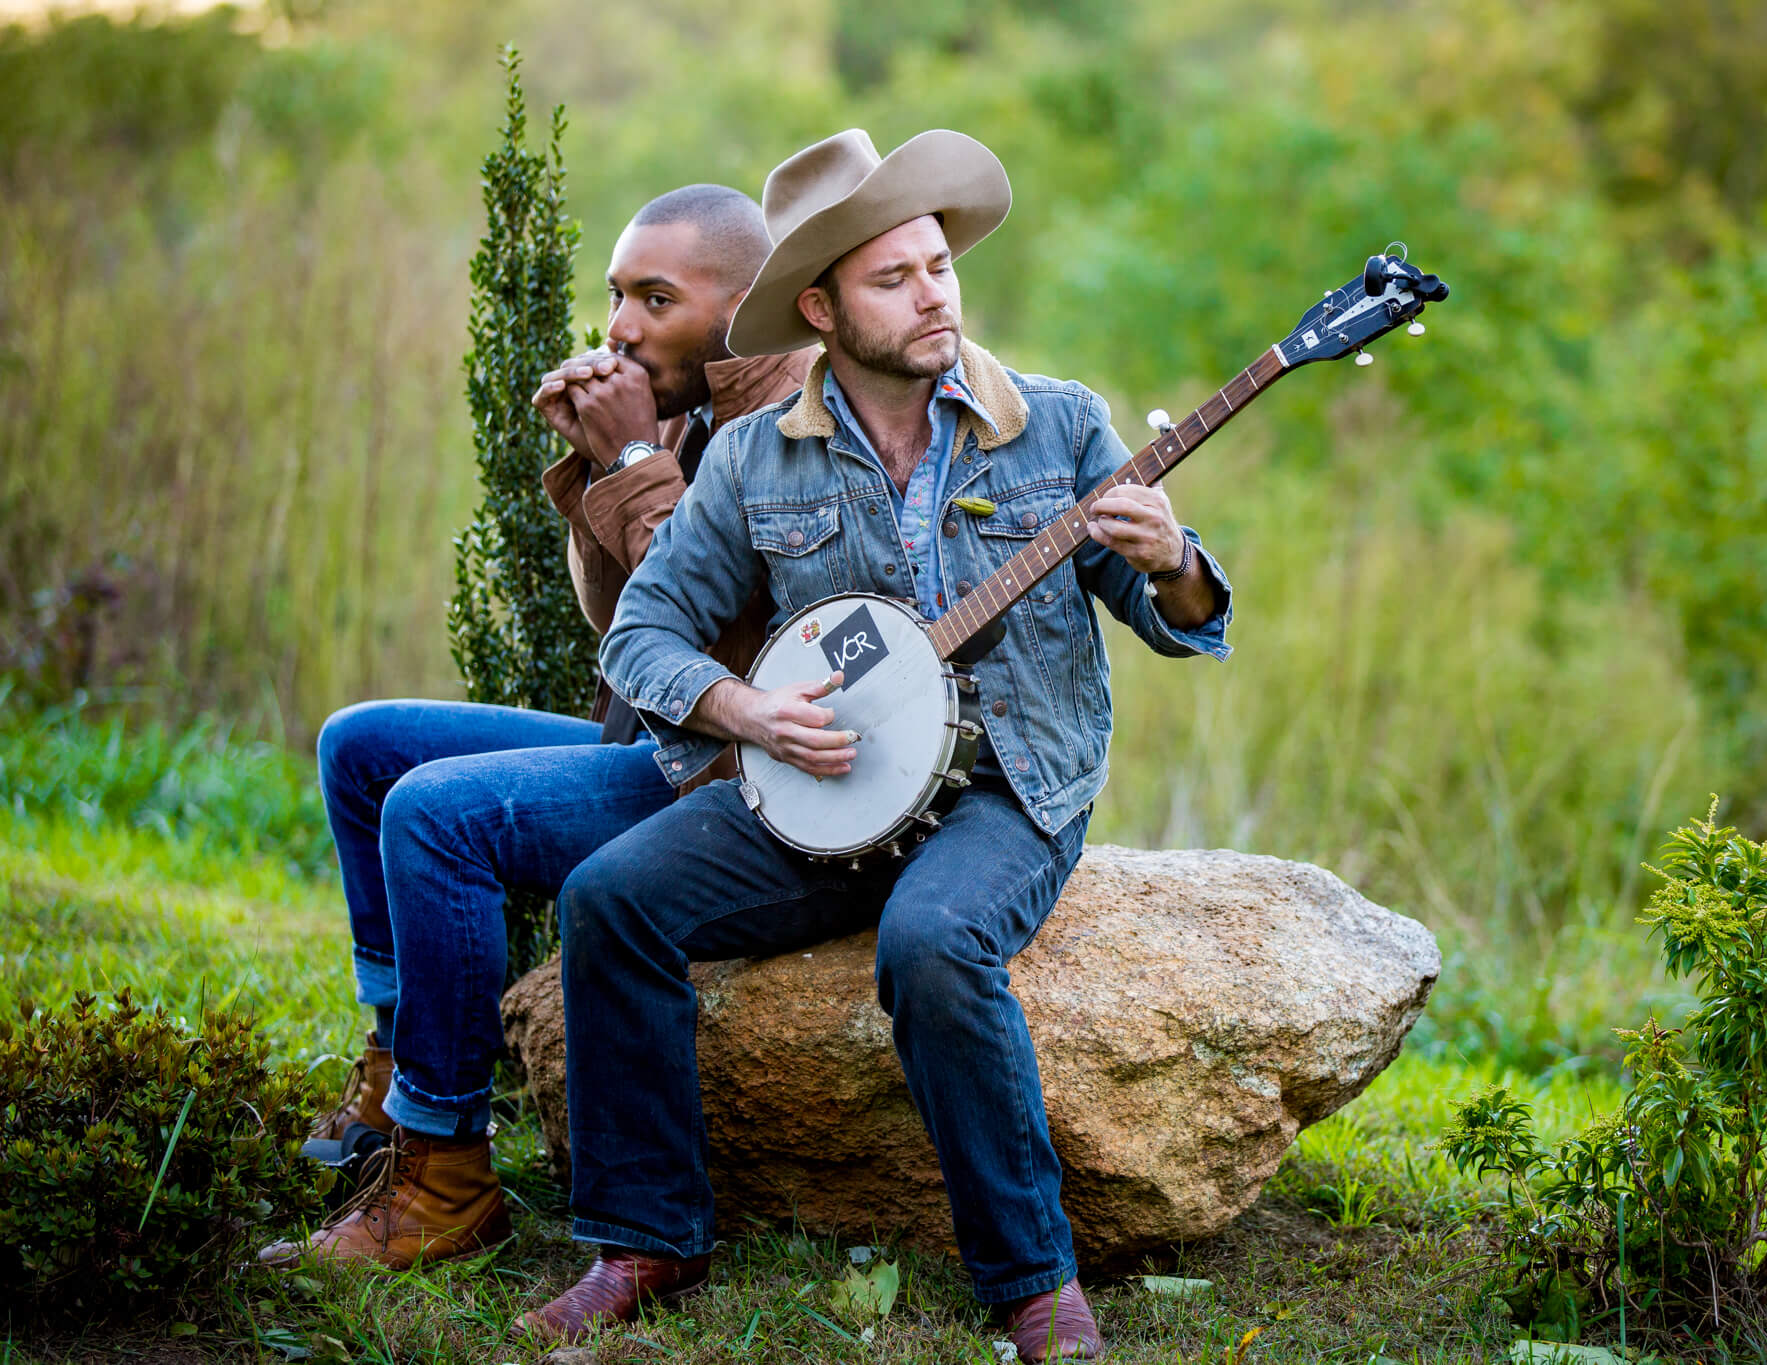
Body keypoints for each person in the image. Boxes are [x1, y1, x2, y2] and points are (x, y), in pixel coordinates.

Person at [514, 130, 1234, 1362]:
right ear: (819, 307)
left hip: (1005, 787)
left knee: (933, 939)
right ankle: (645, 1239)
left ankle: (1031, 1286)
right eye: (893, 278)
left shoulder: (1055, 427)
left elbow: (1178, 625)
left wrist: (1170, 562)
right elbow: (640, 637)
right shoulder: (752, 455)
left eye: (938, 267)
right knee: (610, 899)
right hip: (825, 782)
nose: (934, 294)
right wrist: (741, 712)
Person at [259, 185, 815, 1271]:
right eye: (616, 295)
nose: (618, 327)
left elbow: (704, 636)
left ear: (744, 309)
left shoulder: (786, 416)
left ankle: (447, 1174)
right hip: (654, 737)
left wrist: (625, 467)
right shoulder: (693, 404)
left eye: (656, 298)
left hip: (730, 774)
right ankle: (392, 1069)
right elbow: (622, 630)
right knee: (363, 746)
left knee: (435, 817)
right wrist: (601, 474)